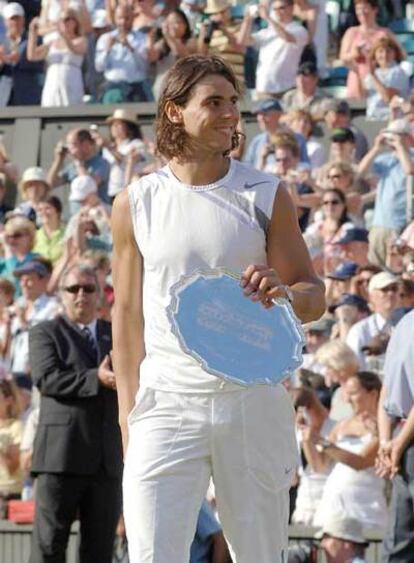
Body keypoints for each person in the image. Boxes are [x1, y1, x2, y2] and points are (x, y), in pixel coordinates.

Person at [111, 55, 325, 563]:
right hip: (164, 405)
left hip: (253, 402)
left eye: (233, 102)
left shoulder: (267, 194)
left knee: (259, 556)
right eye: (214, 102)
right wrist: (128, 413)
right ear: (174, 112)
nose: (230, 114)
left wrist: (287, 293)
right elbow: (126, 315)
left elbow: (312, 296)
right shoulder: (134, 202)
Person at [28, 264, 123, 563]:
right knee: (48, 548)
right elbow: (47, 378)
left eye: (89, 288)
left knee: (99, 551)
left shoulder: (116, 335)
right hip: (61, 457)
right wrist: (97, 378)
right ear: (61, 295)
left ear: (99, 294)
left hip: (106, 463)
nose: (81, 294)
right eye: (73, 288)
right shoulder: (45, 332)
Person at [312, 371, 386, 531]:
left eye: (353, 393)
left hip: (365, 506)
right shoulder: (342, 425)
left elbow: (361, 462)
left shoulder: (384, 427)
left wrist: (324, 445)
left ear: (372, 394)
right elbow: (321, 467)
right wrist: (308, 439)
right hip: (334, 501)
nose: (347, 399)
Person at [377, 309, 414, 561]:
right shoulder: (404, 322)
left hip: (403, 438)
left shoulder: (404, 321)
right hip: (403, 439)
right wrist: (387, 442)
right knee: (399, 540)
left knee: (399, 541)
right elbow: (386, 390)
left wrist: (391, 443)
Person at [358, 123, 414, 268]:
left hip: (403, 224)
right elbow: (360, 173)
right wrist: (376, 148)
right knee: (375, 267)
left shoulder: (411, 156)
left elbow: (409, 171)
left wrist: (401, 146)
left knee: (398, 268)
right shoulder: (385, 159)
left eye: (397, 134)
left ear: (407, 136)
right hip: (379, 223)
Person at [239, 0, 308, 98]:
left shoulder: (299, 30)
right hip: (264, 88)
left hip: (286, 88)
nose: (278, 12)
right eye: (275, 9)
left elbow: (287, 37)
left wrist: (268, 18)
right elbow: (243, 41)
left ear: (292, 7)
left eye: (281, 8)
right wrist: (247, 20)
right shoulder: (268, 31)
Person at [27, 10, 88, 107]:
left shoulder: (81, 40)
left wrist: (64, 35)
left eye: (67, 19)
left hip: (71, 81)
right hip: (53, 82)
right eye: (61, 20)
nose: (64, 22)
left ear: (75, 22)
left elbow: (74, 49)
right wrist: (32, 33)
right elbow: (32, 56)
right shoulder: (52, 42)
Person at [95, 4, 152, 103]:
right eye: (120, 18)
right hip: (113, 87)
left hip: (137, 87)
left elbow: (145, 67)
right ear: (115, 18)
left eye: (127, 18)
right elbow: (99, 67)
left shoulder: (142, 38)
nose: (123, 22)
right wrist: (107, 50)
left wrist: (131, 48)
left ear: (133, 18)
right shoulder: (105, 38)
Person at [339, 0, 394, 99]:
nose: (361, 12)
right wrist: (354, 54)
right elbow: (342, 57)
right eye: (358, 9)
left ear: (375, 10)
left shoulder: (385, 33)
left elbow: (400, 55)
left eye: (365, 8)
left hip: (380, 81)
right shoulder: (351, 32)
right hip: (357, 80)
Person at [346, 271, 400, 368]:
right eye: (384, 289)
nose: (390, 293)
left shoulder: (407, 326)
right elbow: (353, 367)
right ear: (371, 296)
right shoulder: (359, 331)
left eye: (394, 289)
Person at [47, 127, 110, 207]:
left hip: (97, 214)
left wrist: (78, 162)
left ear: (85, 145)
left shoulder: (101, 163)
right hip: (77, 215)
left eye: (72, 145)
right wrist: (58, 160)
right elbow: (49, 184)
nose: (69, 149)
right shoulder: (72, 167)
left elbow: (89, 185)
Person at [244, 98, 309, 169]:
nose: (261, 118)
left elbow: (305, 166)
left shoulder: (297, 139)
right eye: (259, 114)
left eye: (265, 114)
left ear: (279, 116)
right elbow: (247, 167)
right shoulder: (257, 141)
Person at [1, 2, 44, 106]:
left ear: (23, 20)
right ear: (6, 22)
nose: (15, 22)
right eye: (12, 19)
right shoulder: (2, 43)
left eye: (18, 18)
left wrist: (10, 58)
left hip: (27, 98)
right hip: (4, 98)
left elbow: (34, 61)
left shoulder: (34, 40)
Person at [198, 0, 245, 89]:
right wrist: (202, 34)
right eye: (214, 13)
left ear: (229, 10)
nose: (219, 15)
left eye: (222, 12)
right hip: (215, 77)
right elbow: (201, 55)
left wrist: (223, 29)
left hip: (236, 78)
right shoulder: (210, 30)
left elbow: (239, 46)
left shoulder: (239, 25)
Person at [151, 8, 196, 100]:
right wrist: (150, 36)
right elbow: (152, 57)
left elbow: (181, 53)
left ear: (185, 25)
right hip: (162, 87)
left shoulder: (190, 42)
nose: (173, 26)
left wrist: (168, 36)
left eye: (177, 22)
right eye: (170, 23)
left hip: (183, 86)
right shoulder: (162, 43)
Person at [363, 36, 410, 121]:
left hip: (390, 119)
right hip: (373, 117)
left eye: (388, 51)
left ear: (394, 54)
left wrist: (374, 76)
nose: (384, 55)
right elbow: (363, 94)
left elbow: (389, 98)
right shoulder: (374, 72)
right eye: (380, 51)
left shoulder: (398, 72)